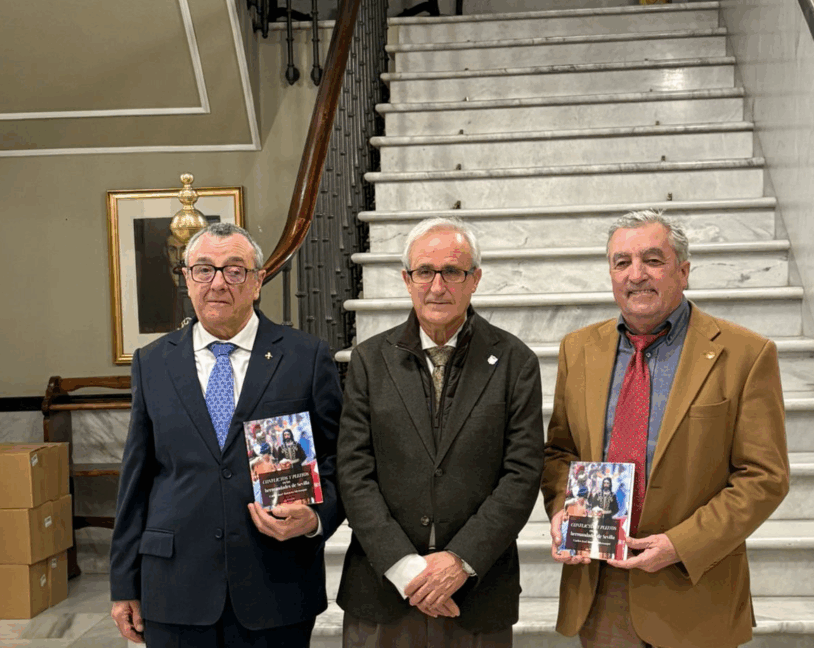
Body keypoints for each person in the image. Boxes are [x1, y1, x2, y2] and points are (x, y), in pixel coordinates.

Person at [541, 209, 789, 648]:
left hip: (694, 587)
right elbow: (561, 451)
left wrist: (681, 544)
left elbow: (764, 477)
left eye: (653, 260)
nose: (636, 275)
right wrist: (564, 509)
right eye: (622, 262)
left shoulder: (746, 354)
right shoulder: (577, 350)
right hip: (602, 590)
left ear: (684, 271)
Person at [109, 222, 343, 648]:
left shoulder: (306, 357)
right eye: (204, 269)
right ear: (186, 278)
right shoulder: (153, 362)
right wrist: (124, 582)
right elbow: (137, 478)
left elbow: (339, 462)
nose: (217, 282)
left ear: (257, 282)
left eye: (234, 270)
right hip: (174, 588)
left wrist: (316, 520)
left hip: (276, 586)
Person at [337, 217, 544, 647]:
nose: (437, 286)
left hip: (477, 594)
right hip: (383, 594)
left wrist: (459, 561)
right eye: (424, 272)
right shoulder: (369, 360)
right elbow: (354, 472)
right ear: (406, 279)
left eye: (452, 271)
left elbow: (521, 475)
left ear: (475, 280)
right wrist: (407, 569)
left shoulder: (514, 361)